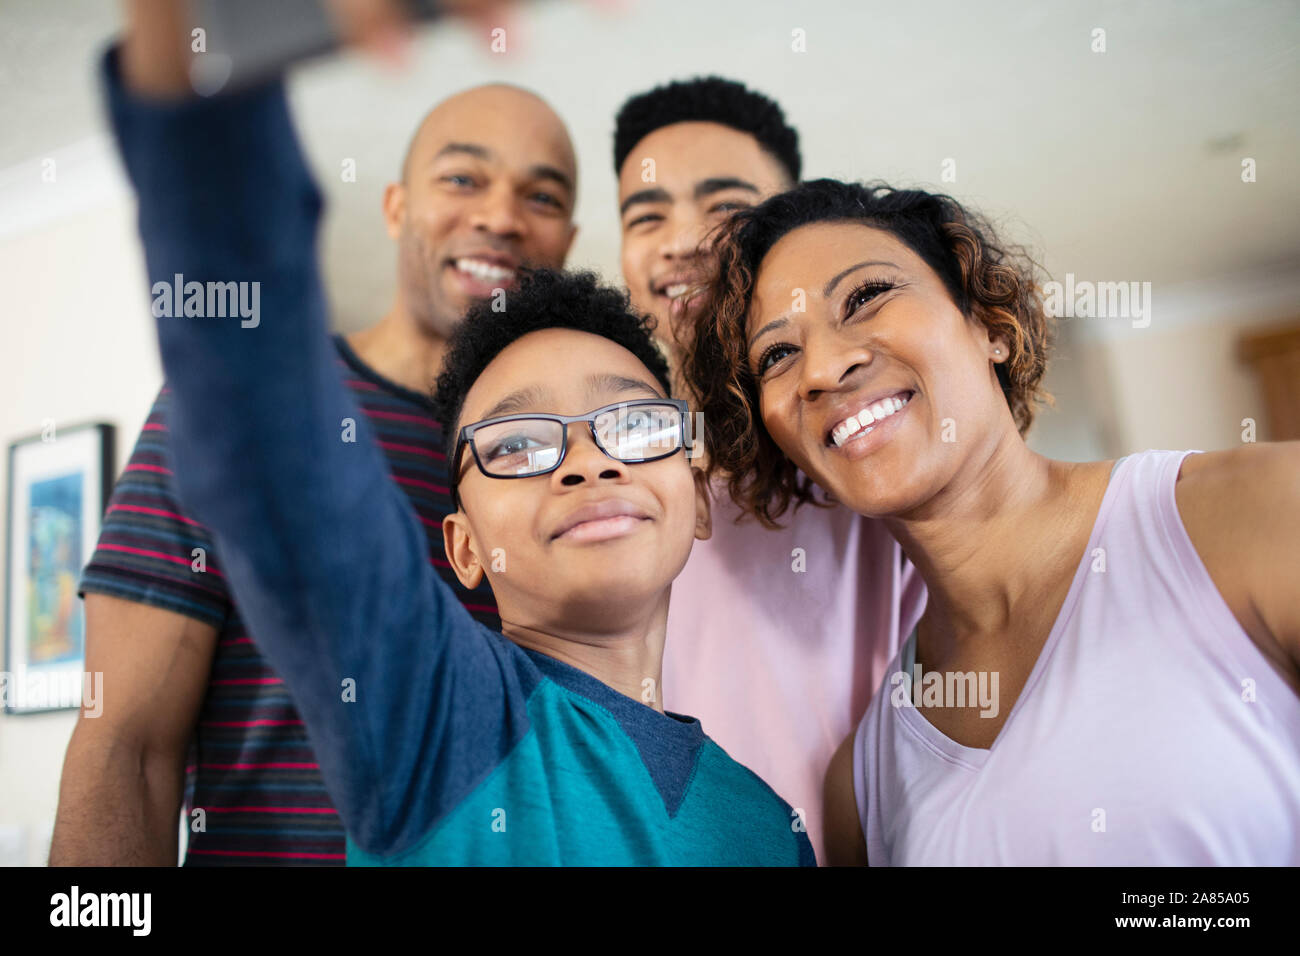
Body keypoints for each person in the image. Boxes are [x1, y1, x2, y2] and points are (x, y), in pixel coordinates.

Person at [93, 24, 815, 865]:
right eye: (516, 444)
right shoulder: (440, 717)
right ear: (463, 548)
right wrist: (207, 57)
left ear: (697, 497)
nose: (589, 459)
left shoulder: (769, 824)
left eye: (633, 423)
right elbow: (267, 427)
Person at [51, 7, 577, 865]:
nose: (504, 217)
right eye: (463, 179)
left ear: (569, 239)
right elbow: (126, 746)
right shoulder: (245, 405)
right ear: (398, 206)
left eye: (543, 195)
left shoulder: (559, 466)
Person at [681, 178, 1300, 864]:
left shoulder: (1254, 514)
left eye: (865, 297)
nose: (824, 367)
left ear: (989, 325)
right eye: (778, 354)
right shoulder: (860, 789)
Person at [614, 77, 925, 859]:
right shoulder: (599, 482)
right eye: (647, 215)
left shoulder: (874, 461)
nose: (682, 240)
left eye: (724, 207)